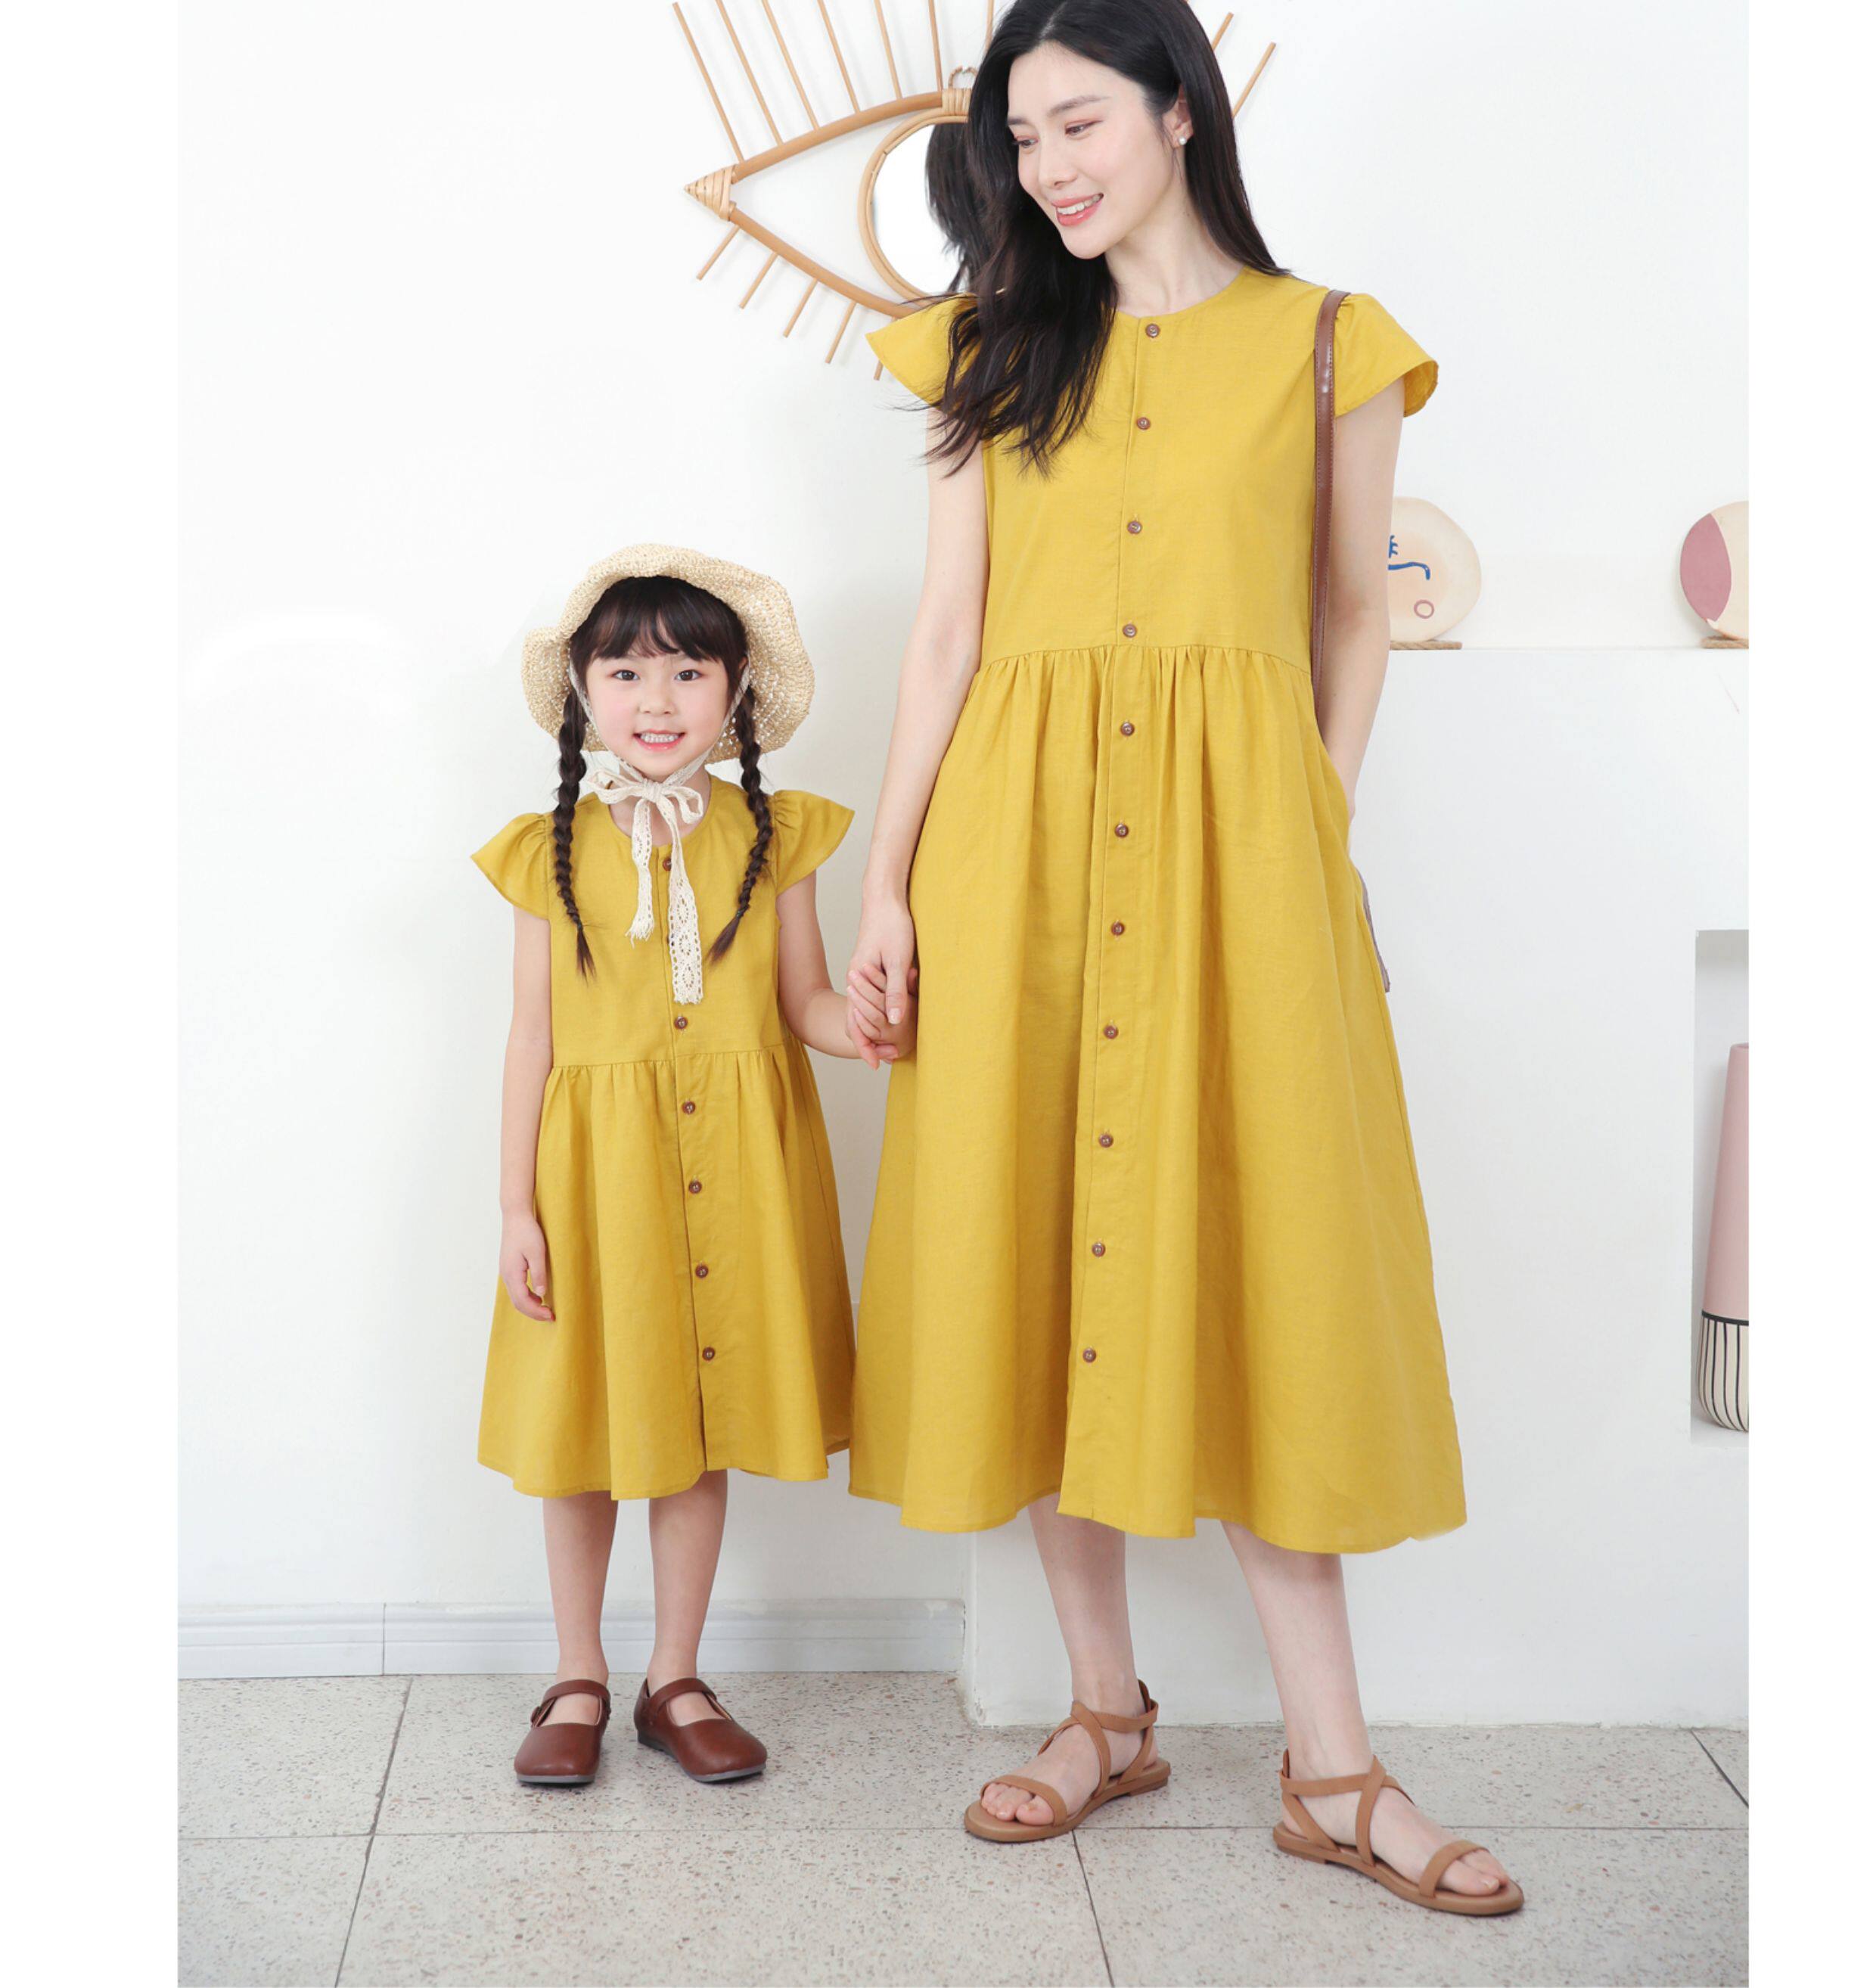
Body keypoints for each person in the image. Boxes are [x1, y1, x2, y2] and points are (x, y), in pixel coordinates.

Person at [843, 0, 1520, 1915]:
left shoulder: (1331, 344)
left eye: (1076, 122)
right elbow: (946, 637)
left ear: (1177, 110)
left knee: (1266, 1263)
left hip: (1242, 861)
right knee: (1041, 1247)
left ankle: (1335, 1767)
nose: (1045, 166)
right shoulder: (986, 350)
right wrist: (886, 885)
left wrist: (1312, 819)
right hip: (1014, 858)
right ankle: (1102, 1712)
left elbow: (1350, 614)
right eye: (1017, 137)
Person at [472, 545, 907, 1789]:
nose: (655, 701)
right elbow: (532, 1037)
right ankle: (577, 1675)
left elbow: (802, 1002)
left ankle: (677, 1676)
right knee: (583, 1430)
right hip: (594, 1180)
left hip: (737, 1164)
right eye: (625, 672)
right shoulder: (545, 850)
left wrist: (869, 1024)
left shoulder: (775, 835)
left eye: (687, 672)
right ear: (583, 692)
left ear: (735, 693)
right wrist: (517, 1207)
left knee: (698, 1424)